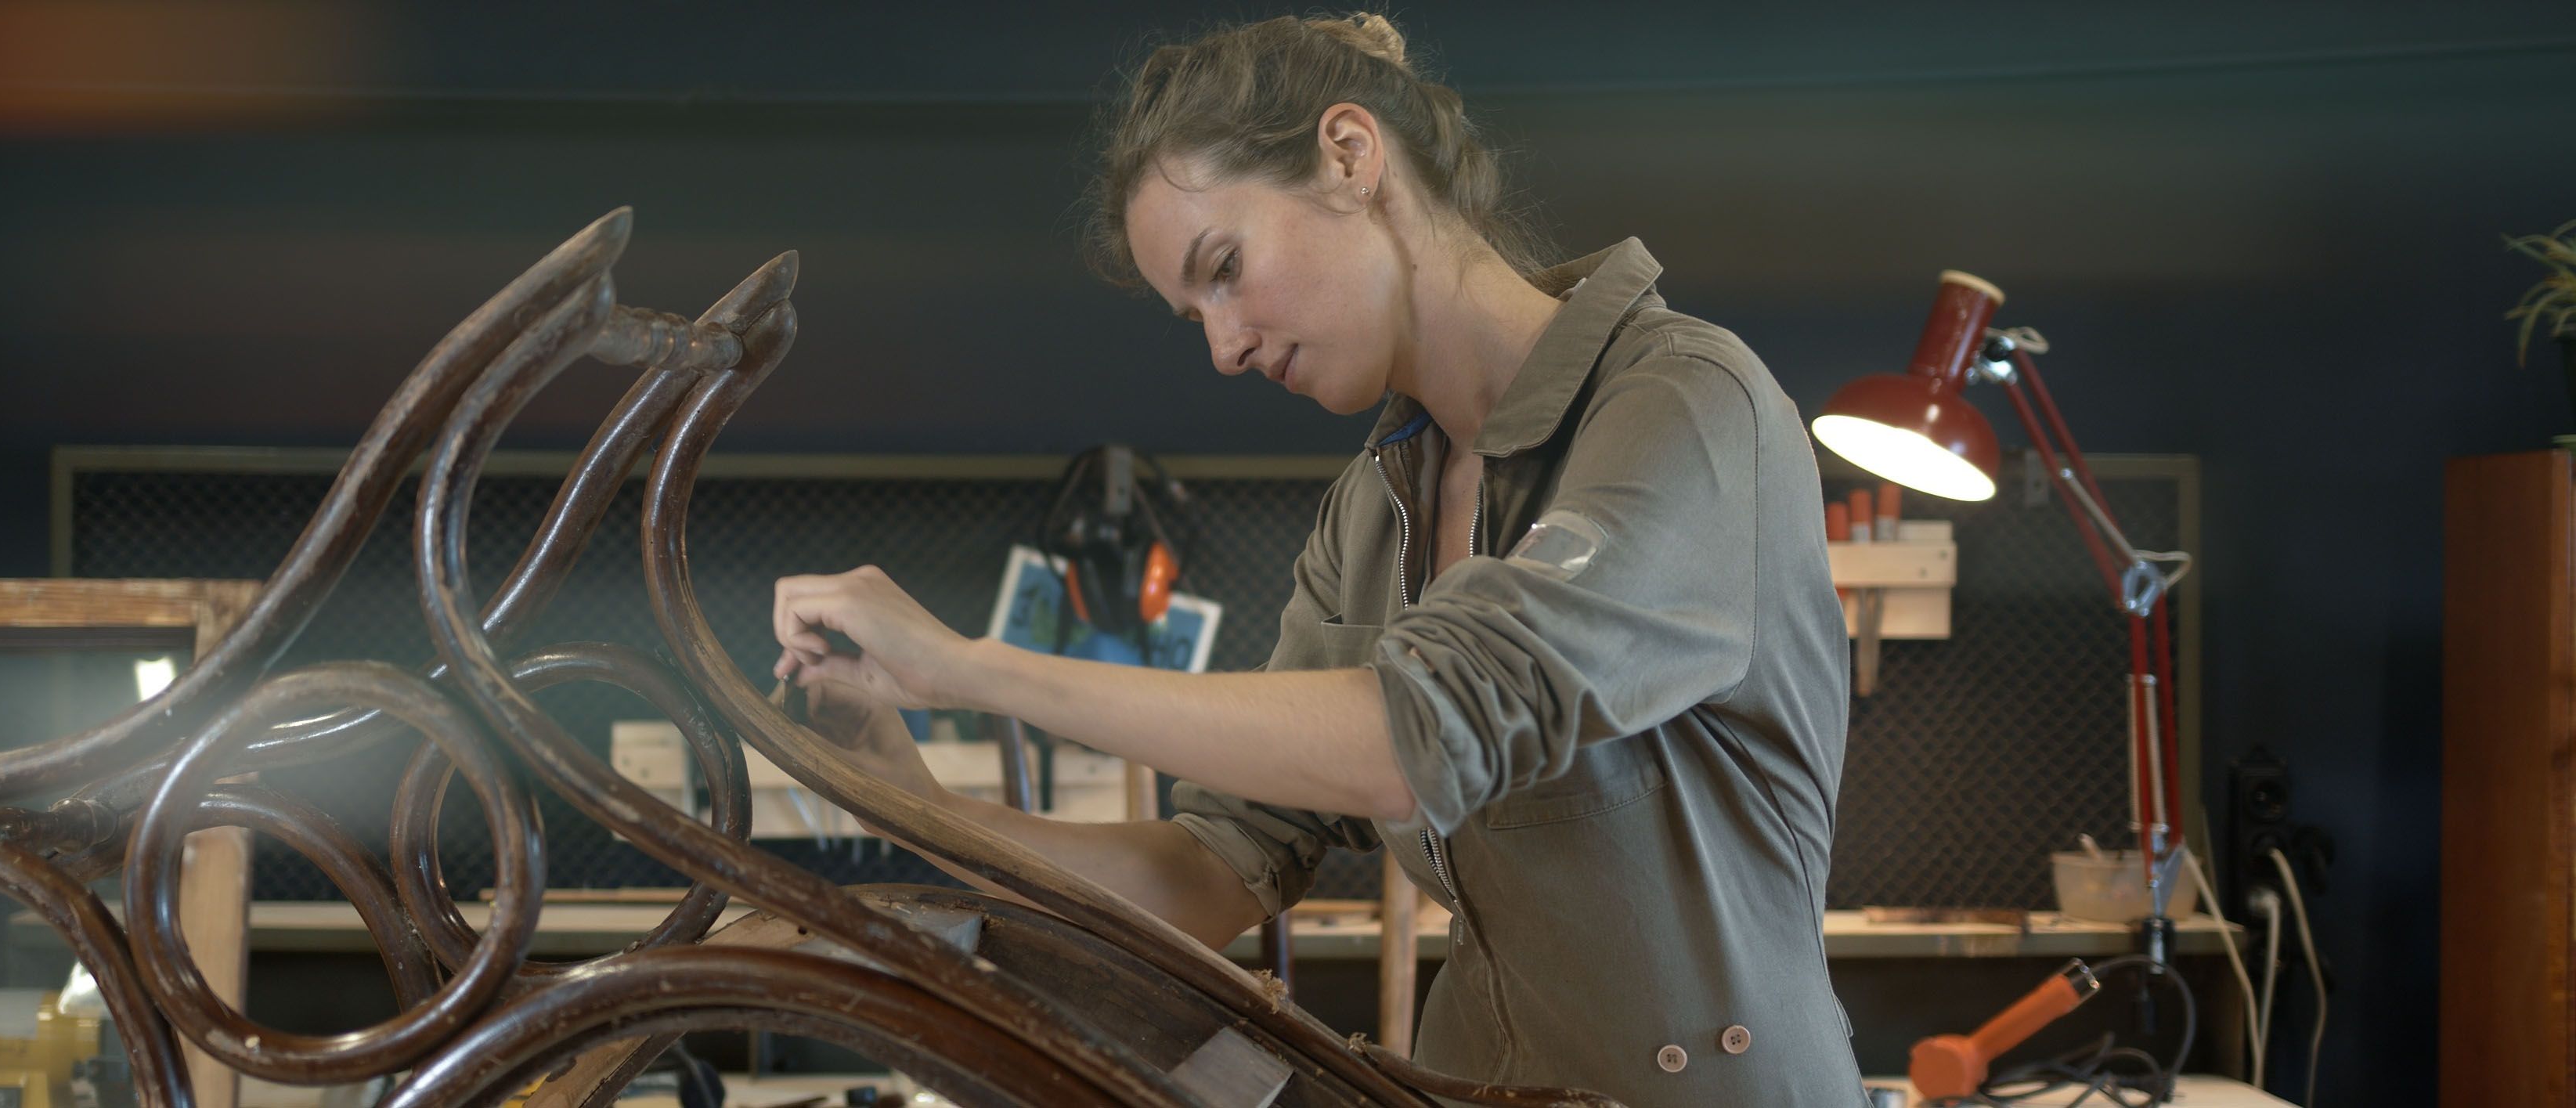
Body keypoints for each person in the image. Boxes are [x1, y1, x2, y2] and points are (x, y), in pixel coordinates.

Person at [770, 13, 1862, 1106]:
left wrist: (967, 666)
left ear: (1350, 156)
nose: (1224, 345)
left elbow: (1418, 732)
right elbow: (1208, 867)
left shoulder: (1683, 404)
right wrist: (905, 805)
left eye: (1226, 269)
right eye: (1193, 311)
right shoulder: (1370, 513)